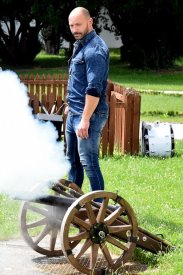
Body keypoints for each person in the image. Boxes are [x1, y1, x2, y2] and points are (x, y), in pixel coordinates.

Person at [65, 7, 109, 194]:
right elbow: (77, 81)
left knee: (89, 163)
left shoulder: (95, 50)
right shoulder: (80, 45)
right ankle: (74, 203)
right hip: (74, 112)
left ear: (90, 22)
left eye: (78, 24)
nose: (75, 29)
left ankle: (98, 208)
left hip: (89, 115)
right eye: (71, 25)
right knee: (73, 162)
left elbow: (93, 88)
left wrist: (84, 119)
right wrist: (69, 106)